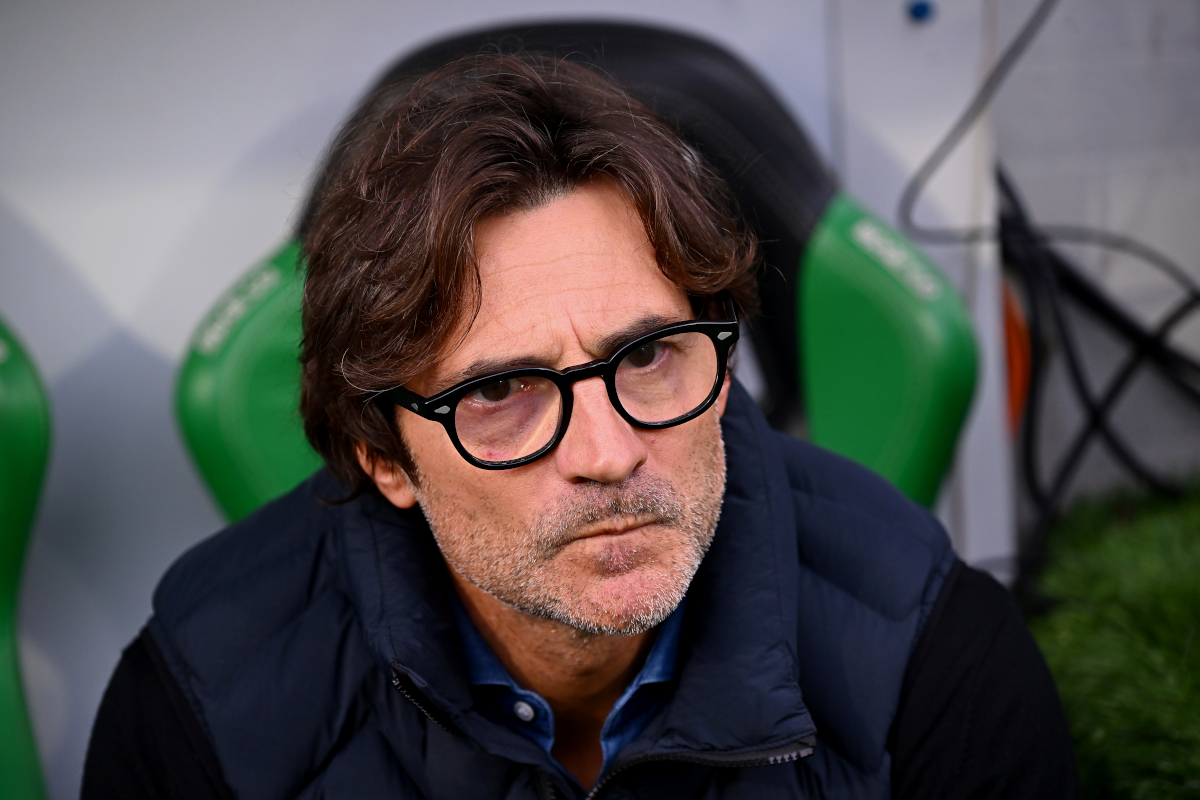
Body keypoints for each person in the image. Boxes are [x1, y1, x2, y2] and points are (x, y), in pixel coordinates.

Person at [83, 53, 1079, 799]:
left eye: (647, 356)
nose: (608, 455)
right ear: (382, 452)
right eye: (504, 390)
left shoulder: (936, 651)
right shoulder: (197, 701)